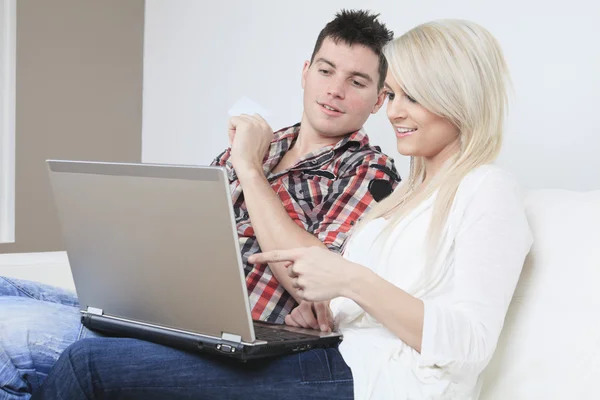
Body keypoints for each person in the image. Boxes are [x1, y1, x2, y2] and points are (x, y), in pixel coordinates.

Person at [32, 18, 534, 400]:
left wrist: (349, 281)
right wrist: (326, 309)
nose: (396, 111)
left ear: (459, 98)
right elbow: (377, 301)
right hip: (325, 351)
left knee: (87, 365)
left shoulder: (486, 189)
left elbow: (468, 345)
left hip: (364, 380)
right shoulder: (410, 198)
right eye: (395, 95)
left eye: (412, 98)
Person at [0, 10, 399, 400]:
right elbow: (181, 233)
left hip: (231, 341)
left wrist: (248, 167)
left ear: (379, 99)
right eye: (326, 71)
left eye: (356, 81)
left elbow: (315, 280)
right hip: (167, 313)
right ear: (305, 71)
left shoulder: (370, 172)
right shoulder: (265, 143)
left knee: (7, 333)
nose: (334, 90)